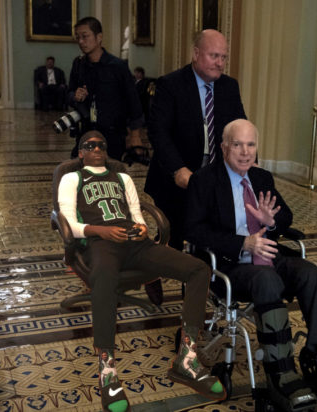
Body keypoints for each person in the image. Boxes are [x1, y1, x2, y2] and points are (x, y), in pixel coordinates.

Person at [185, 119, 317, 411]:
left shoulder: (261, 177)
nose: (245, 152)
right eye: (238, 144)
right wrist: (243, 243)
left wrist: (271, 222)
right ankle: (281, 374)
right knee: (265, 279)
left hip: (268, 257)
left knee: (310, 272)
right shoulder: (204, 180)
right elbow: (193, 230)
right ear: (224, 147)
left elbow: (286, 217)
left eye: (251, 144)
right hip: (231, 265)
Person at [58, 130, 226, 412]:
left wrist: (142, 228)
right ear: (80, 152)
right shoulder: (72, 178)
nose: (97, 149)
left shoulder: (122, 178)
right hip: (100, 244)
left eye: (101, 145)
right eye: (90, 145)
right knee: (104, 278)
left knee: (198, 269)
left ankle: (186, 360)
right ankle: (107, 372)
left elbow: (136, 214)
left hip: (135, 244)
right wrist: (100, 231)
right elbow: (66, 220)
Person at [144, 29, 246, 250]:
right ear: (196, 53)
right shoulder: (171, 84)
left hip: (214, 178)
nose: (220, 63)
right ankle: (161, 267)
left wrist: (248, 163)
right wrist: (177, 169)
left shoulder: (229, 87)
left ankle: (203, 269)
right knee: (172, 239)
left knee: (211, 236)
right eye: (214, 56)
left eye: (223, 57)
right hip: (175, 177)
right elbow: (158, 132)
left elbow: (241, 129)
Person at [67, 17, 144, 161]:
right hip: (86, 133)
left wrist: (135, 136)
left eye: (85, 36)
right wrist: (74, 96)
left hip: (112, 135)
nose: (81, 41)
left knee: (110, 171)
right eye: (78, 37)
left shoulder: (118, 66)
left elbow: (133, 102)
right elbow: (69, 94)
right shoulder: (78, 64)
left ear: (99, 37)